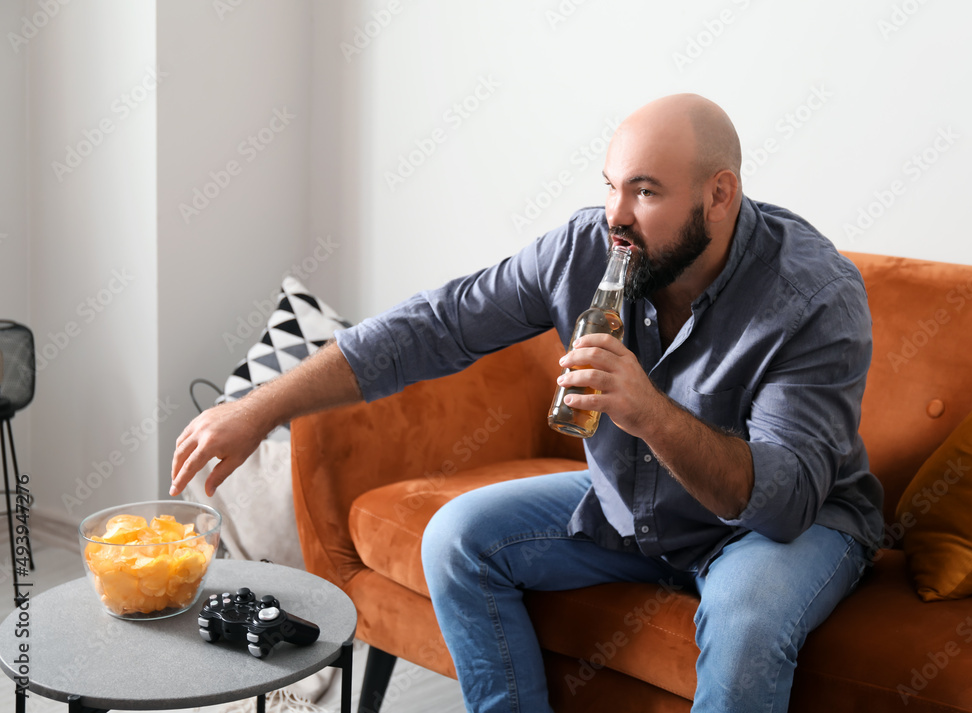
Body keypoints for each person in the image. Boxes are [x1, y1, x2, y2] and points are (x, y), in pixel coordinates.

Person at [171, 93, 884, 712]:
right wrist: (261, 408)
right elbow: (436, 325)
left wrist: (645, 410)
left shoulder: (813, 296)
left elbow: (784, 500)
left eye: (645, 191)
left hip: (781, 527)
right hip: (642, 506)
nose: (617, 215)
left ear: (719, 194)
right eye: (610, 186)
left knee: (749, 619)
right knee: (458, 540)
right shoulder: (588, 247)